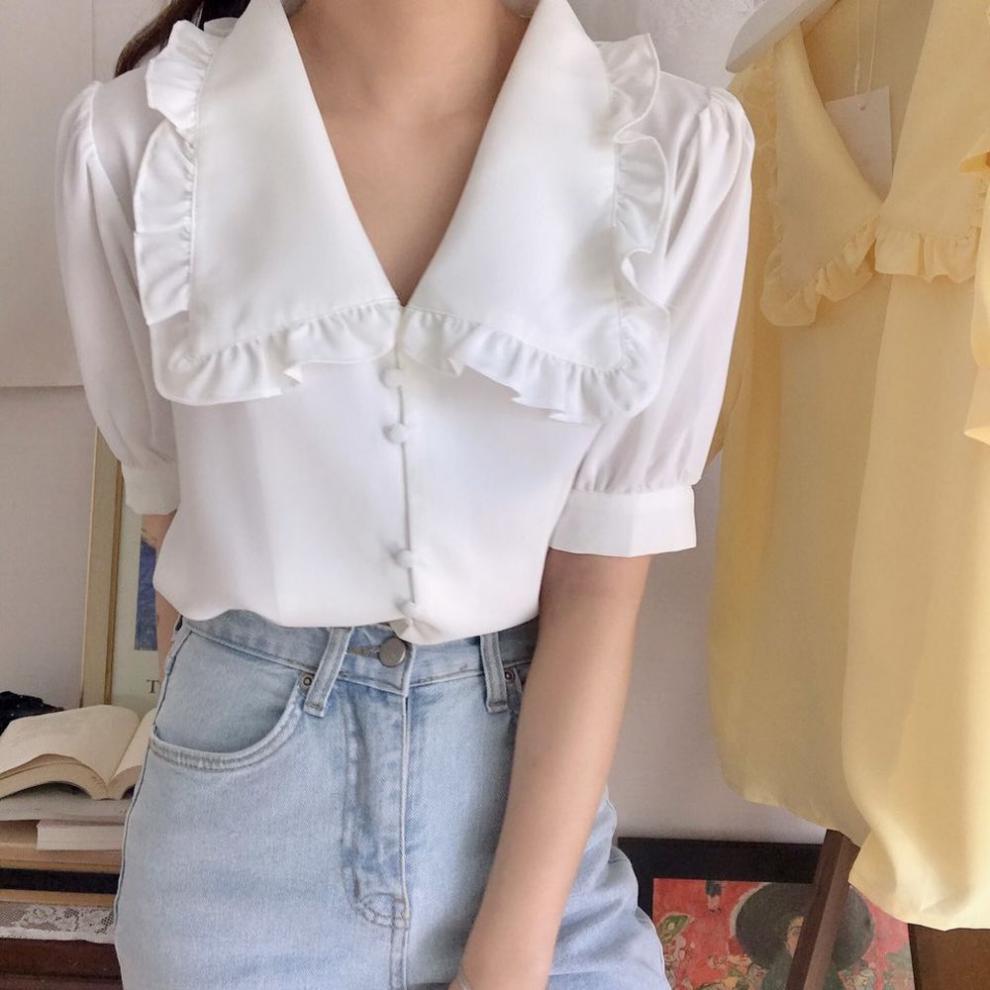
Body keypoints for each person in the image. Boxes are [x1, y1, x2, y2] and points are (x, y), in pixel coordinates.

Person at [51, 0, 754, 986]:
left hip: (530, 830)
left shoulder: (673, 148)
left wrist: (509, 955)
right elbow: (177, 526)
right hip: (236, 838)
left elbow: (600, 587)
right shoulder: (133, 146)